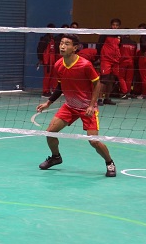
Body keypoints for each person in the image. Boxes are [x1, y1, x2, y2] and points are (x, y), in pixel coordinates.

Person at [36, 34, 116, 177]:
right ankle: (56, 157)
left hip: (87, 108)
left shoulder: (85, 64)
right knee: (49, 133)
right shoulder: (58, 64)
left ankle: (109, 163)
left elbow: (97, 83)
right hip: (70, 106)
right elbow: (60, 86)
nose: (62, 46)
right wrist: (48, 103)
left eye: (67, 44)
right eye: (61, 43)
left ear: (75, 48)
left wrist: (92, 105)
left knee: (94, 141)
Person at [96, 18, 122, 105]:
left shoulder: (120, 35)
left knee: (111, 79)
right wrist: (99, 57)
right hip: (106, 59)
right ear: (111, 26)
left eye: (117, 25)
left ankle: (107, 98)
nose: (115, 27)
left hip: (115, 60)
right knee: (104, 79)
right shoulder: (105, 33)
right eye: (113, 25)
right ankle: (99, 98)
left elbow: (119, 47)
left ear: (119, 27)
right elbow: (99, 45)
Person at [36, 23, 56, 97]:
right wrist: (40, 59)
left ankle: (51, 90)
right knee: (47, 76)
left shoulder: (52, 39)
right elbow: (40, 50)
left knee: (52, 76)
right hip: (47, 61)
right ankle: (45, 91)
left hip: (53, 61)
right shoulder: (45, 39)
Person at [118, 32, 136, 99]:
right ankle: (128, 92)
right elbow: (134, 53)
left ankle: (124, 92)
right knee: (129, 78)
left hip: (123, 62)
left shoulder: (121, 42)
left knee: (120, 77)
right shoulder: (134, 43)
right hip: (131, 62)